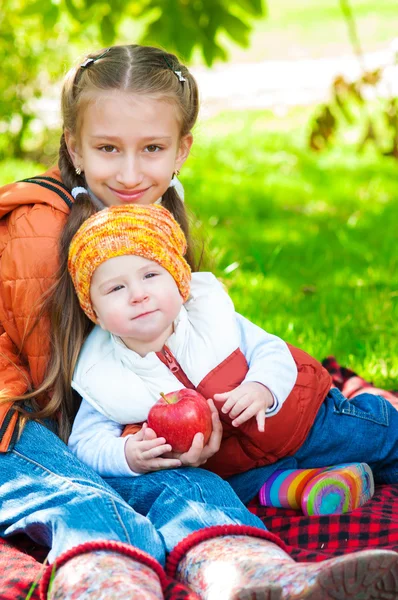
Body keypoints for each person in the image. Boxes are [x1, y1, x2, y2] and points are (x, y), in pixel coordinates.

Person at [0, 44, 396, 600]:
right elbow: (63, 397)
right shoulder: (44, 233)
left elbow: (222, 340)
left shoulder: (150, 217)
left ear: (181, 150)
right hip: (46, 415)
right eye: (109, 148)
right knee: (146, 487)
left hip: (218, 417)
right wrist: (132, 442)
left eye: (152, 148)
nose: (132, 171)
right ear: (75, 147)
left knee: (350, 433)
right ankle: (172, 574)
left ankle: (261, 554)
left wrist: (211, 406)